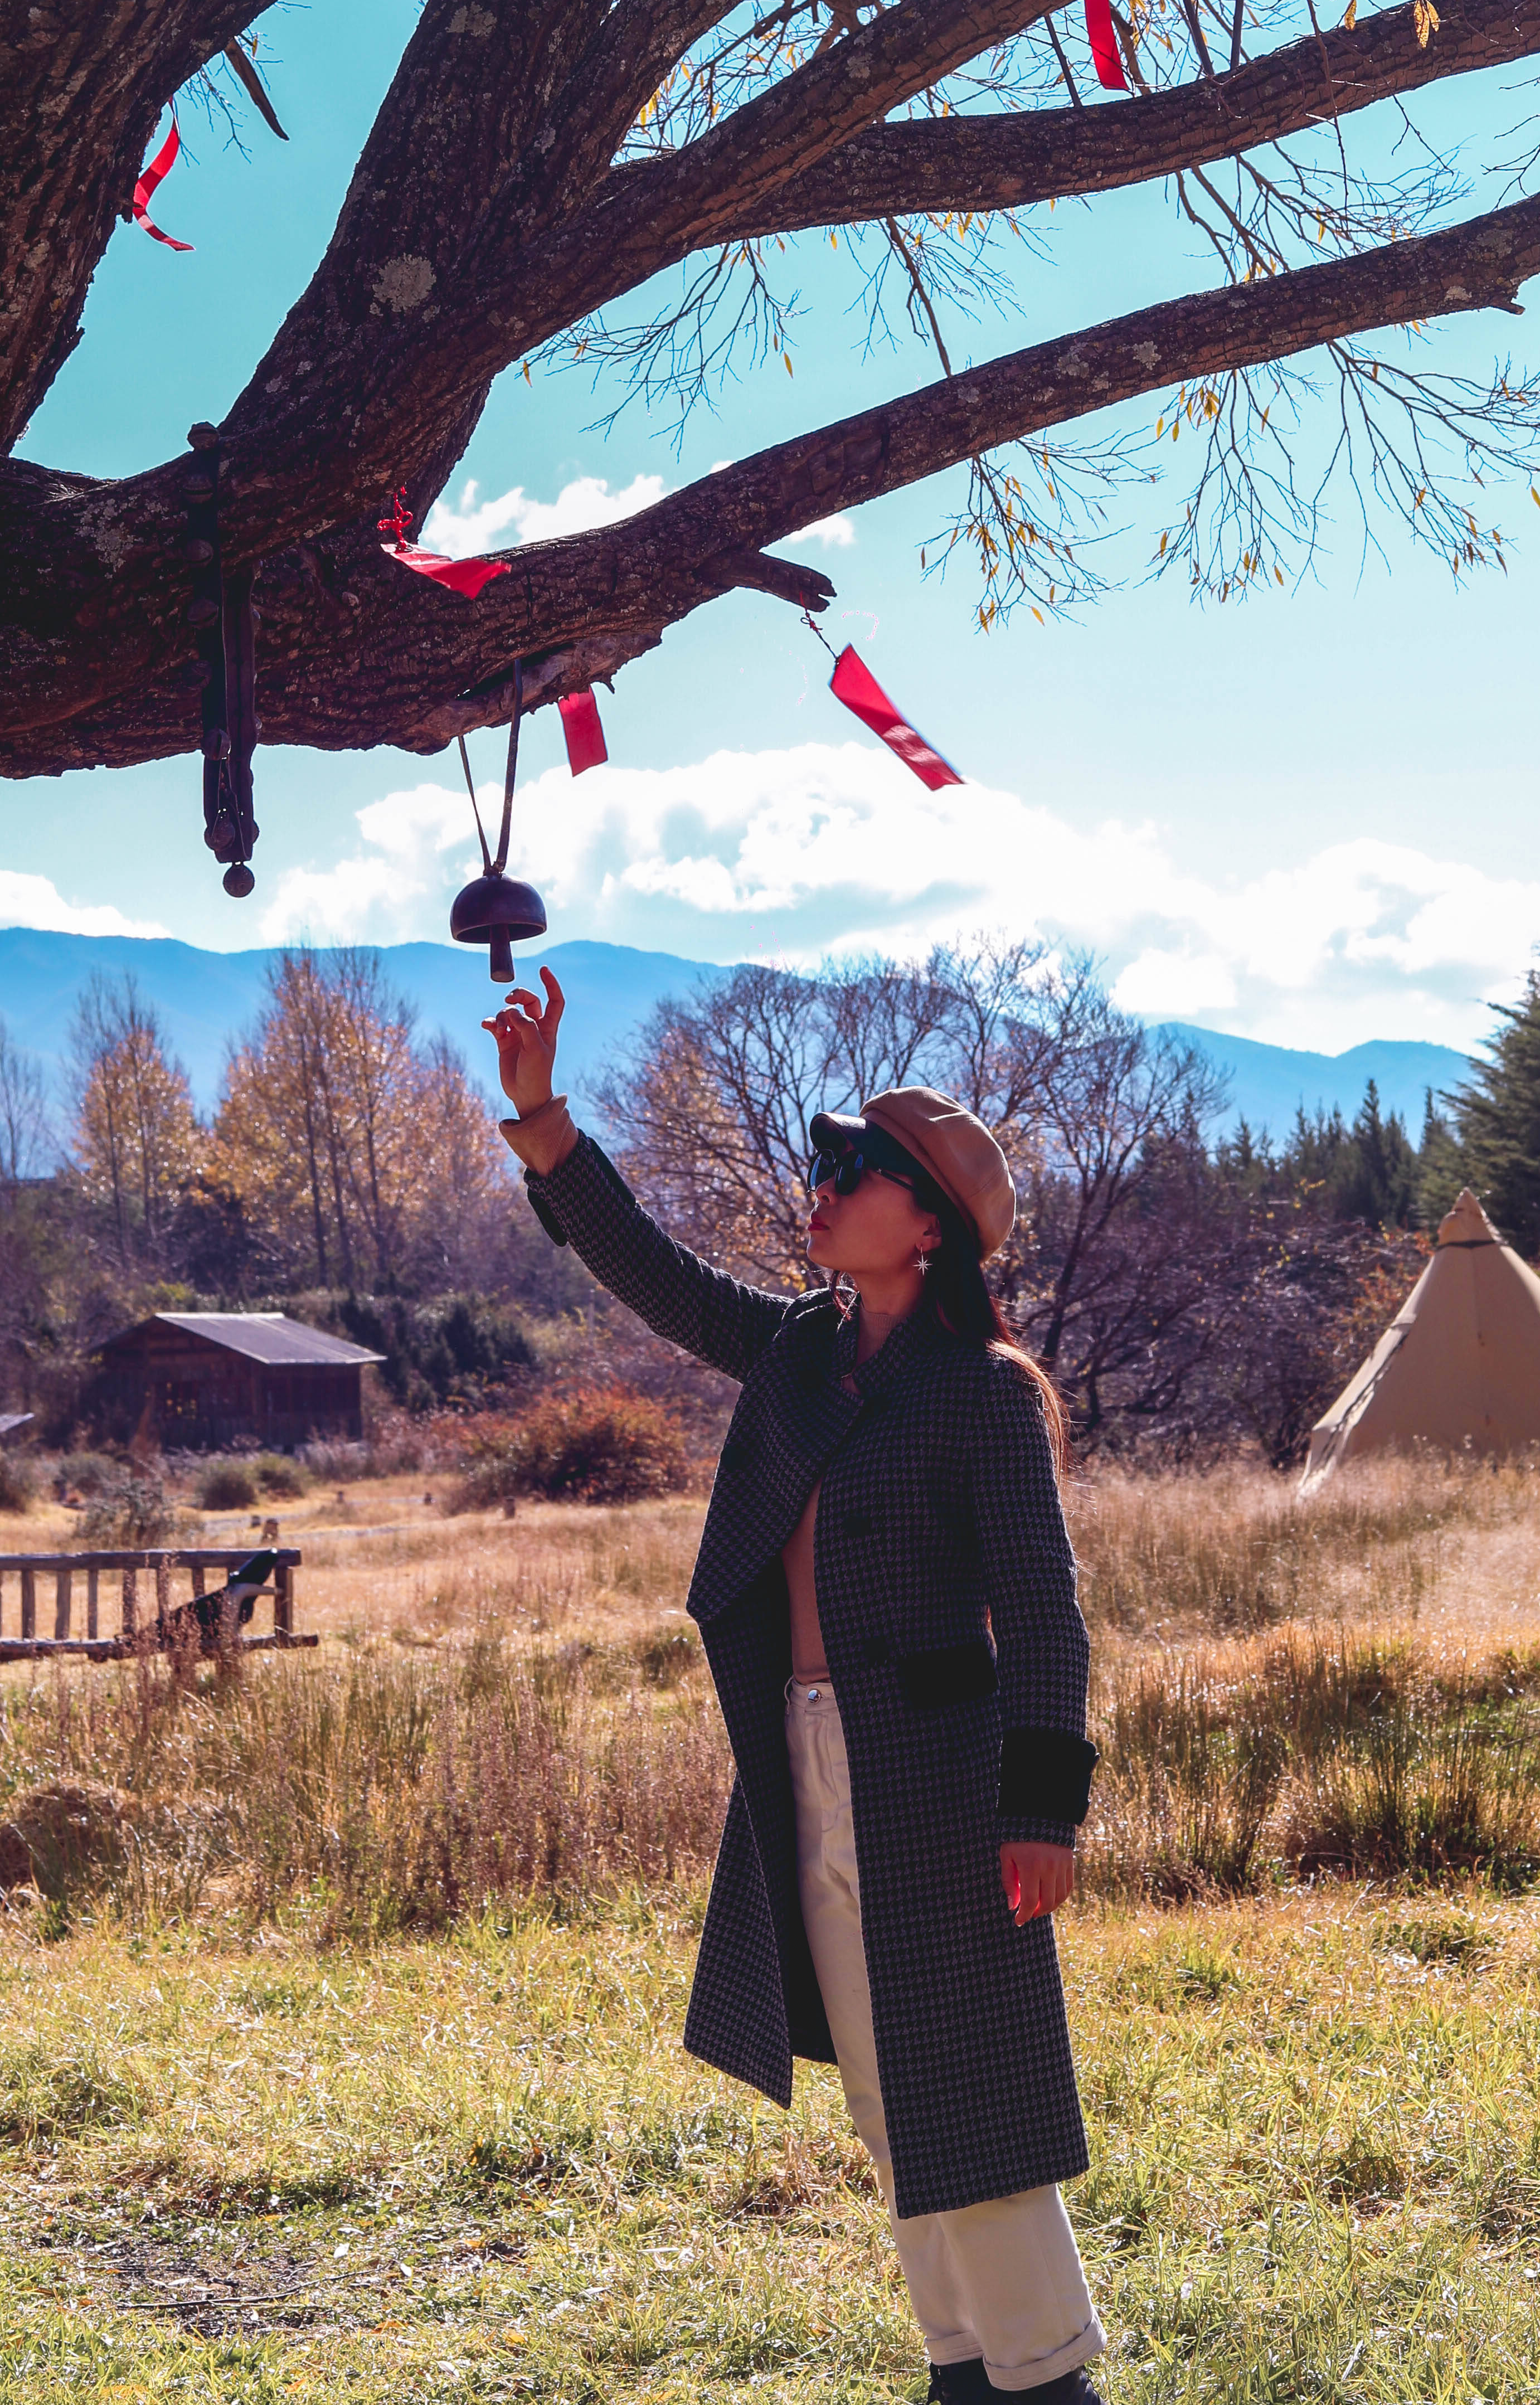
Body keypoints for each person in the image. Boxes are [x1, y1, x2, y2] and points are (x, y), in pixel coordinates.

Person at [486, 967, 1105, 2405]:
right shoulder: (802, 1352)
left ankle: (1048, 2375)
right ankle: (964, 2362)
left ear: (930, 1225)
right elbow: (655, 1277)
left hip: (945, 1781)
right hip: (807, 1756)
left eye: (856, 1172)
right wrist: (546, 1131)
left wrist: (1045, 1813)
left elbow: (1049, 1615)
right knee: (888, 2086)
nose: (822, 1187)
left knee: (969, 2090)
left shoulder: (985, 1389)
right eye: (828, 1164)